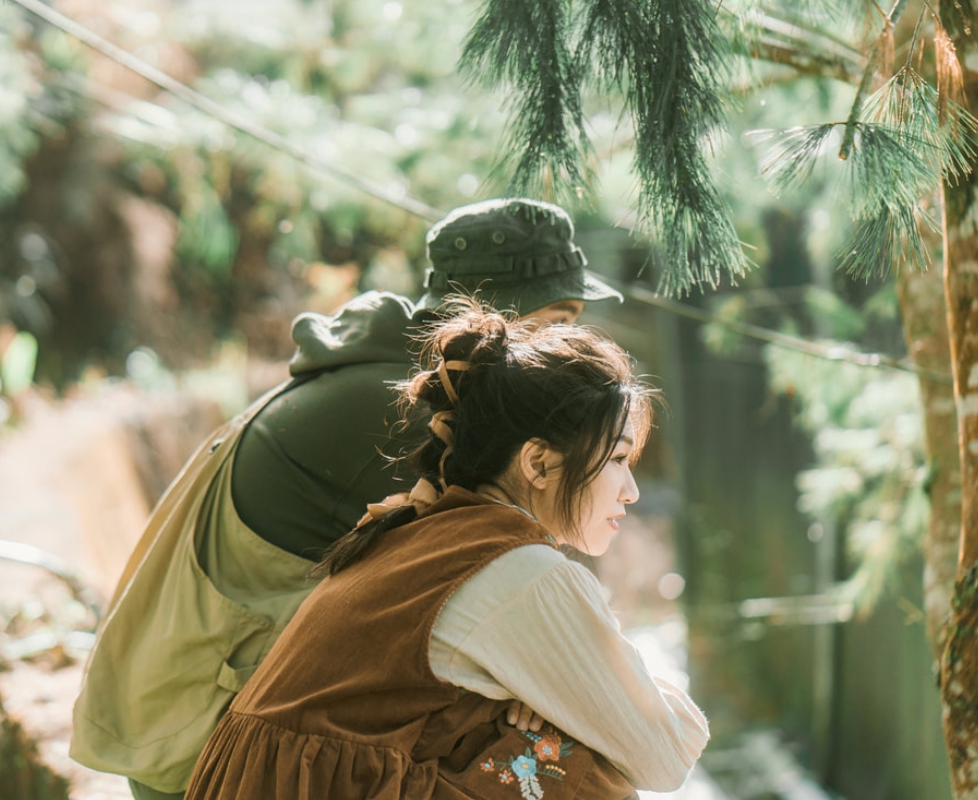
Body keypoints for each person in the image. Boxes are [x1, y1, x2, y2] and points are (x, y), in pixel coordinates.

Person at [69, 199, 624, 799]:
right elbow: (519, 596)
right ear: (495, 314)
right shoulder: (409, 413)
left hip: (204, 712)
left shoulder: (398, 377)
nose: (574, 342)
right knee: (572, 766)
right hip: (204, 747)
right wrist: (539, 683)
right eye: (560, 318)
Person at [183, 302, 709, 800]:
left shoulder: (427, 530)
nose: (631, 490)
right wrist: (572, 699)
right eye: (618, 459)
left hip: (257, 783)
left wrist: (557, 691)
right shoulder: (521, 573)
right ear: (538, 464)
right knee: (575, 768)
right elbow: (667, 752)